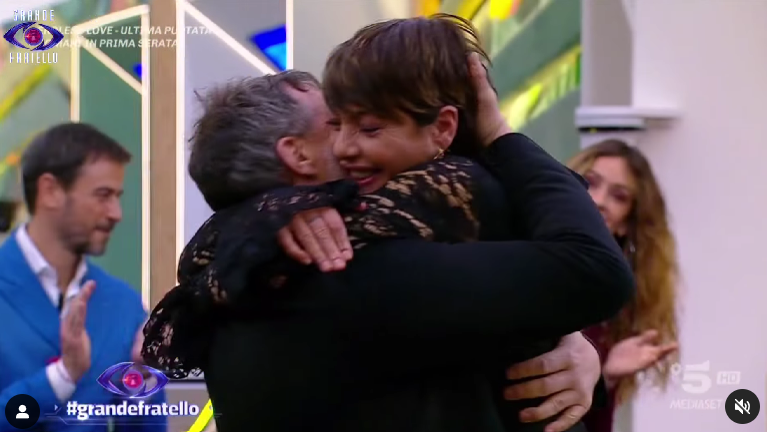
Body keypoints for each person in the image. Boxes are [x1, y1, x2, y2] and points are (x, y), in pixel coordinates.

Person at [143, 16, 631, 432]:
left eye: (368, 124)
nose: (348, 144)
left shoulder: (229, 278)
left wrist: (572, 342)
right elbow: (593, 270)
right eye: (338, 122)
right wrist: (500, 134)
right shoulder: (351, 268)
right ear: (297, 155)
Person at [0, 123, 167, 432]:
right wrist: (61, 378)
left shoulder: (123, 304)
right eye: (103, 195)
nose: (116, 213)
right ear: (50, 191)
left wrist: (143, 378)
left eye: (117, 197)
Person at [561, 140, 678, 432]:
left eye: (619, 196)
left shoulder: (609, 304)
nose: (599, 200)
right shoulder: (520, 254)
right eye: (591, 183)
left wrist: (607, 376)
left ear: (626, 224)